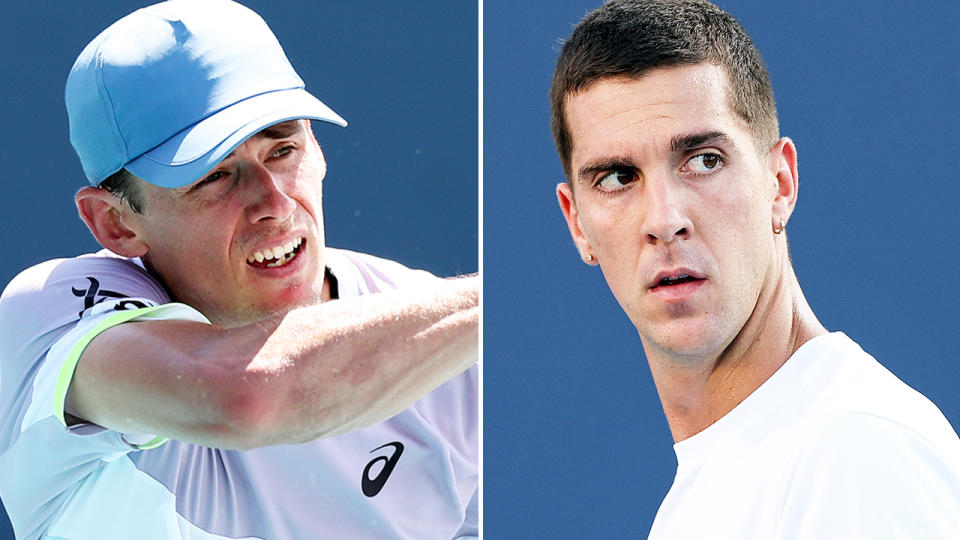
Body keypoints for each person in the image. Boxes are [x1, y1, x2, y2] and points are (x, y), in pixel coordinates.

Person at [0, 1, 478, 539]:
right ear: (115, 223)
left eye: (283, 149)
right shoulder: (49, 314)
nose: (274, 202)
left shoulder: (451, 342)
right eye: (215, 175)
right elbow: (246, 395)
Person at [551, 0, 960, 537]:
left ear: (780, 184)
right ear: (578, 223)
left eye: (703, 161)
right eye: (617, 177)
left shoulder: (853, 444)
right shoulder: (727, 481)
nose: (665, 220)